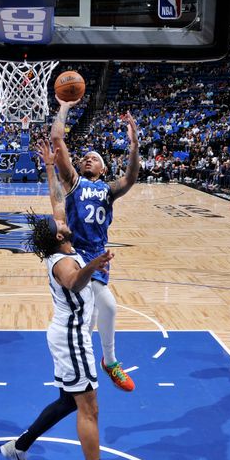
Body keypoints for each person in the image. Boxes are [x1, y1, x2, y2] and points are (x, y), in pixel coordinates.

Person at [0, 140, 129, 460]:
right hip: (72, 337)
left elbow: (57, 200)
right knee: (89, 406)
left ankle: (18, 446)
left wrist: (49, 167)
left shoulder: (63, 242)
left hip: (66, 333)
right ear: (58, 236)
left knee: (67, 401)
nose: (63, 220)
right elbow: (75, 282)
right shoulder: (61, 260)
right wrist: (98, 262)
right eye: (59, 225)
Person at [50, 98, 140, 392]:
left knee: (92, 317)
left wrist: (134, 144)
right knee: (107, 308)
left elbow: (130, 177)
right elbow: (57, 139)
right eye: (85, 156)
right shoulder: (74, 182)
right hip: (76, 256)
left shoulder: (108, 190)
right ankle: (110, 361)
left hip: (100, 256)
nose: (88, 158)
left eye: (95, 157)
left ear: (102, 169)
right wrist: (64, 106)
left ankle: (88, 366)